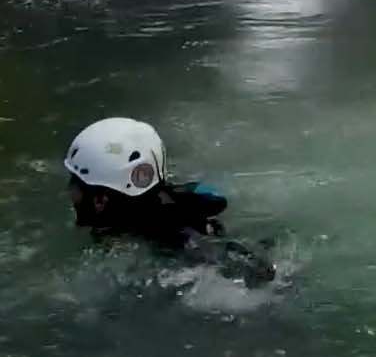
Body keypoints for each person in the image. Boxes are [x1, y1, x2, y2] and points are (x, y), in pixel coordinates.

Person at [64, 117, 275, 287]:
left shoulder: (179, 239)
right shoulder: (158, 206)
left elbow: (256, 275)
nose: (70, 194)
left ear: (102, 200)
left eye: (78, 190)